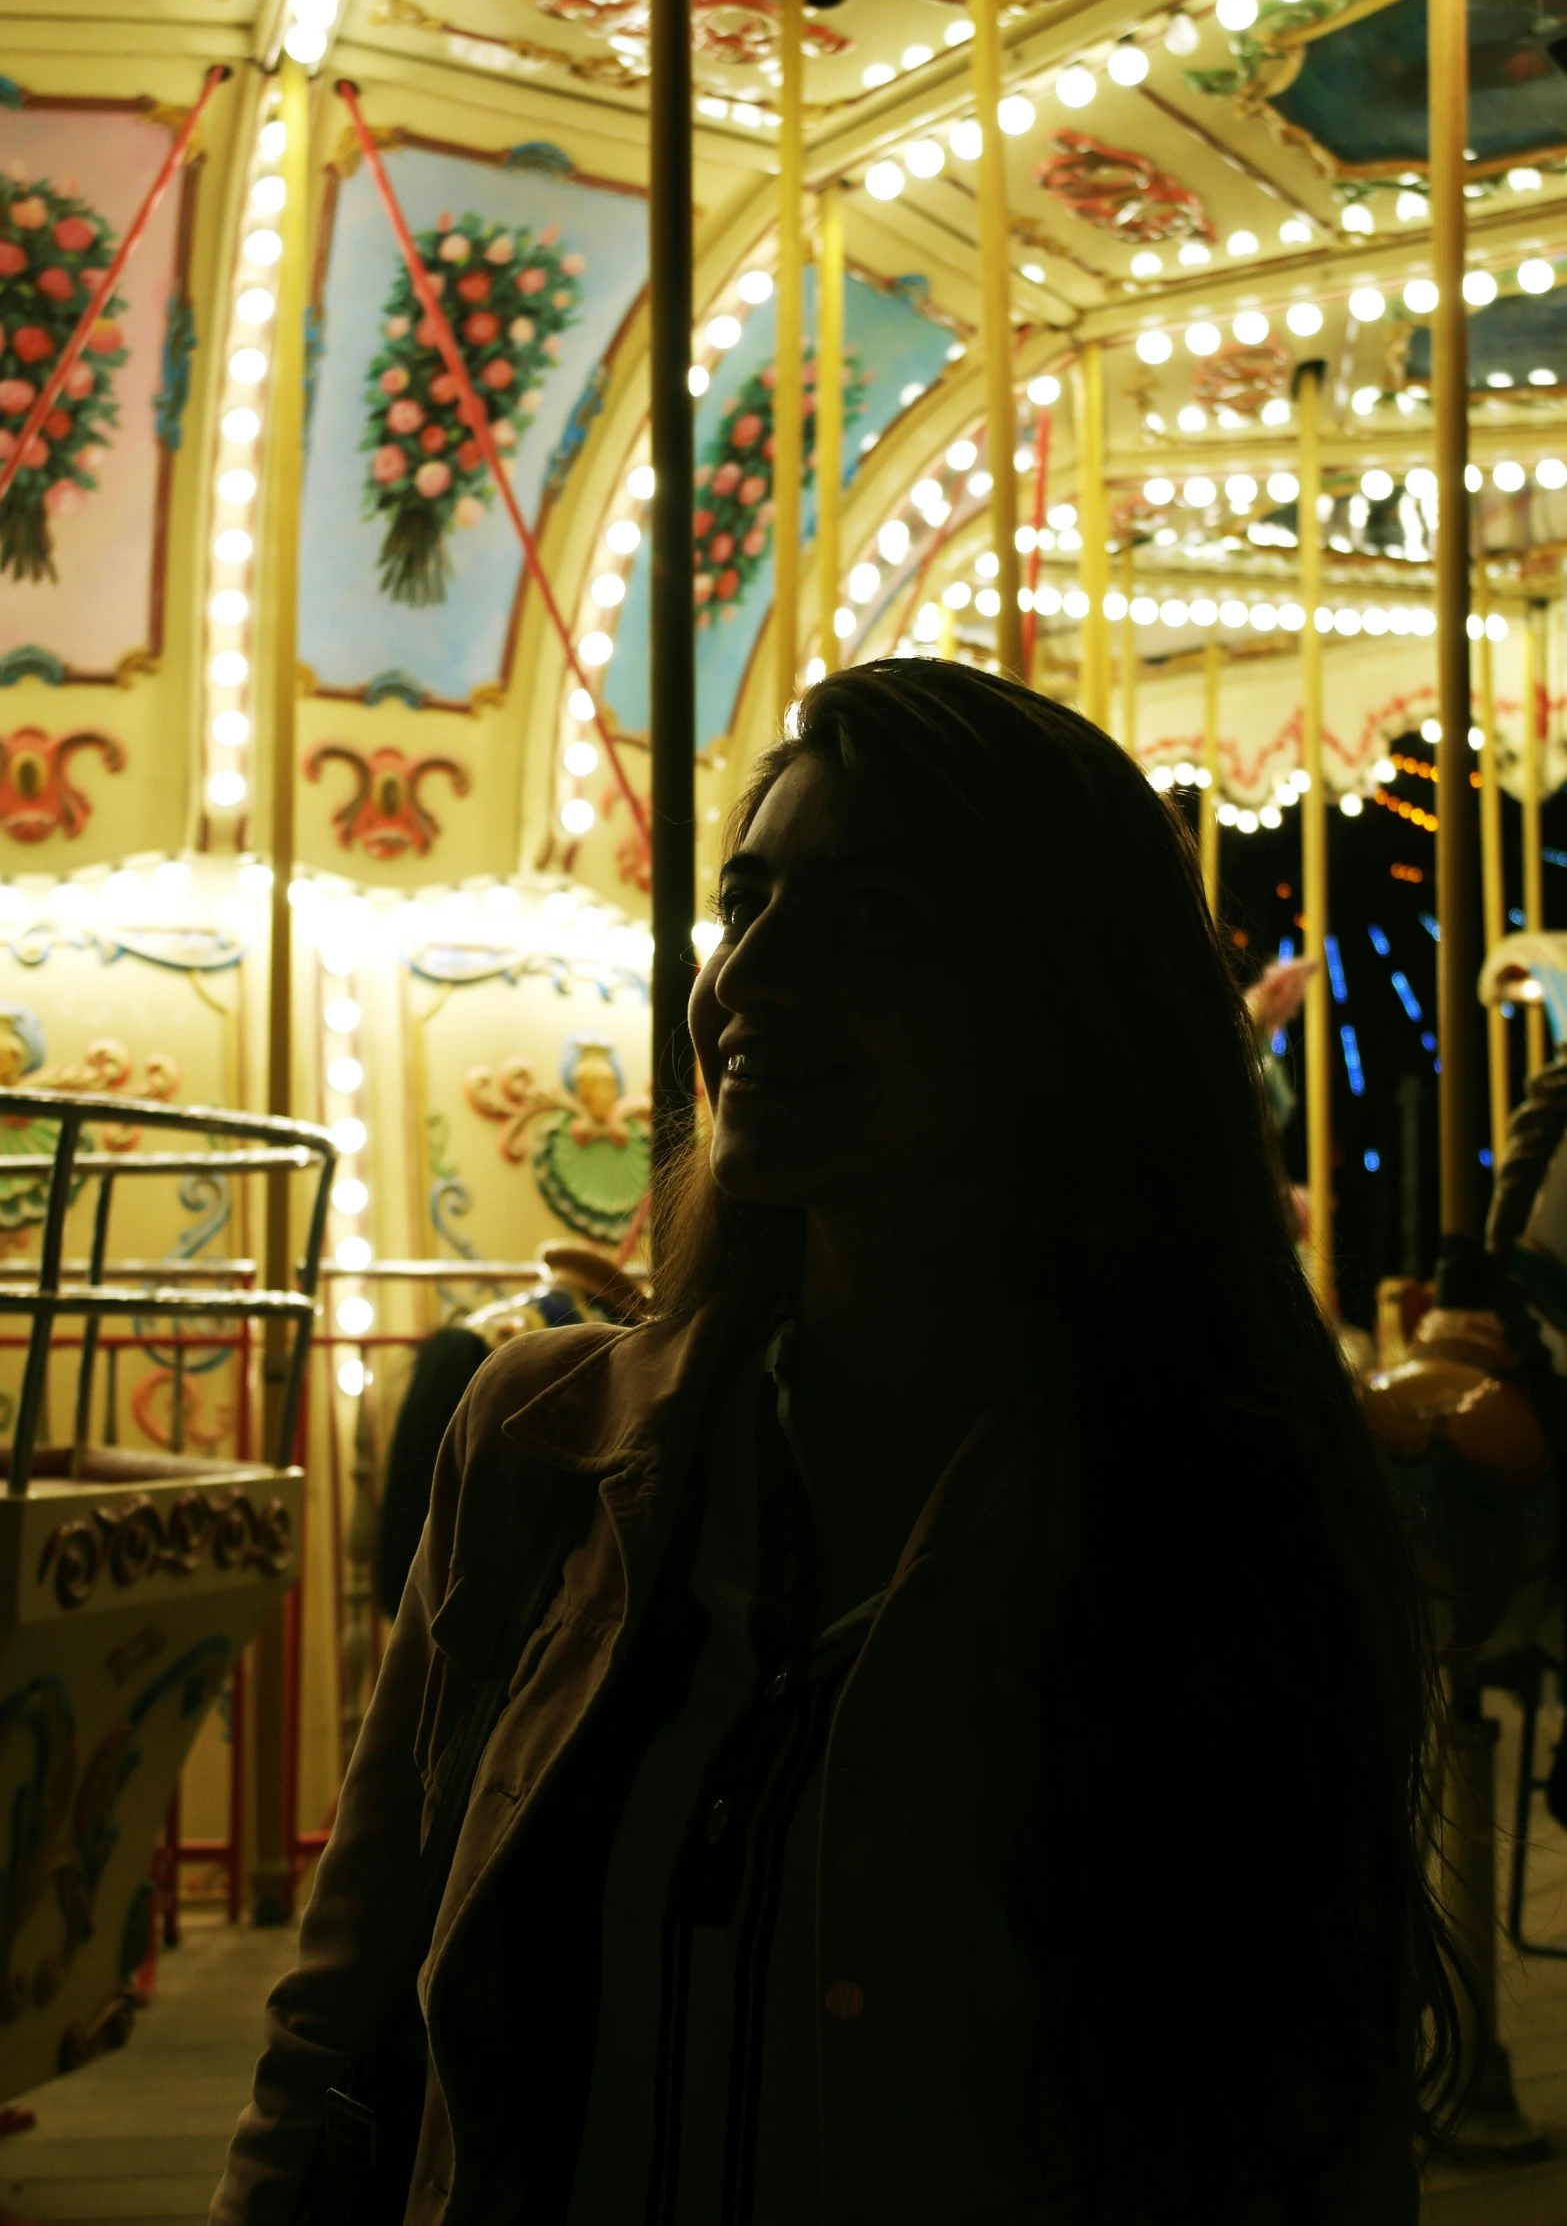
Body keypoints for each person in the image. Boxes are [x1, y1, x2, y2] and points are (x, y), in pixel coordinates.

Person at [212, 658, 1464, 2226]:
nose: (750, 977)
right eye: (746, 903)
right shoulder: (537, 1441)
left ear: (1052, 1010)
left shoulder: (1215, 1500)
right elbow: (341, 2013)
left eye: (874, 922)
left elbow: (1299, 2119)